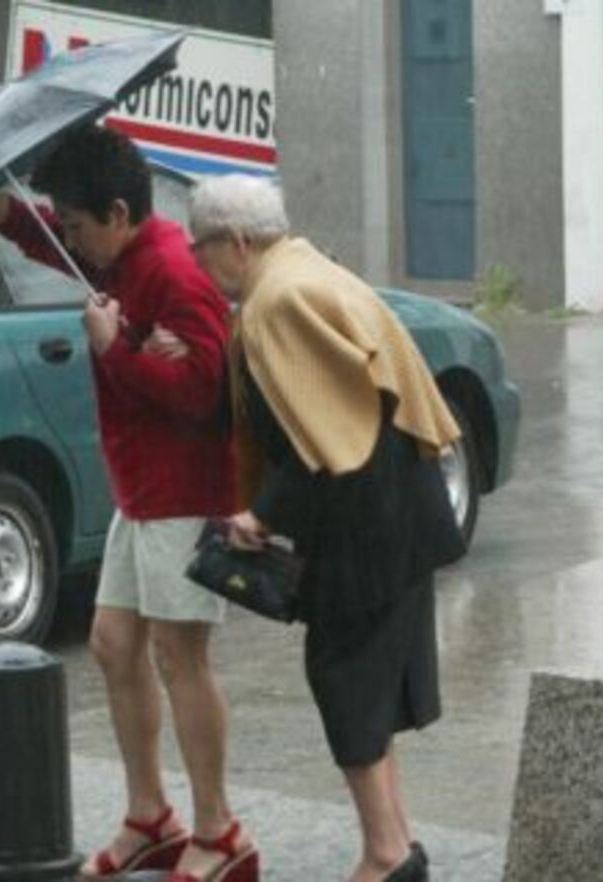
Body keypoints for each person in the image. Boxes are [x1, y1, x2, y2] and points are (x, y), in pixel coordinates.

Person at [0, 127, 258, 882]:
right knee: (112, 643)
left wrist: (114, 350)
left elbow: (204, 395)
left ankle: (220, 830)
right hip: (141, 492)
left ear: (119, 212)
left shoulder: (170, 272)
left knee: (177, 656)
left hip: (184, 494)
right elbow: (50, 240)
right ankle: (149, 815)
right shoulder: (117, 250)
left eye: (75, 224)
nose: (66, 238)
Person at [188, 175, 465, 882]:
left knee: (343, 677)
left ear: (238, 242)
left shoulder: (275, 302)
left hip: (366, 524)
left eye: (203, 247)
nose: (198, 261)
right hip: (395, 508)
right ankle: (395, 843)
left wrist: (261, 514)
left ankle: (384, 853)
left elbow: (329, 434)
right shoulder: (306, 269)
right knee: (365, 679)